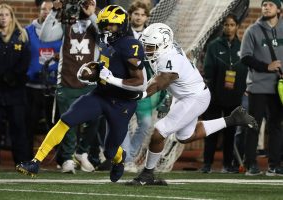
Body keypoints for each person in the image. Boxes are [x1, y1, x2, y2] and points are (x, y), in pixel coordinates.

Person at [16, 5, 146, 183]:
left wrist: (112, 79)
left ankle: (119, 158)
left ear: (122, 25)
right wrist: (93, 73)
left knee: (110, 151)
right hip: (101, 95)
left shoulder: (131, 44)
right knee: (66, 119)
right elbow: (105, 66)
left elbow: (140, 82)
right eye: (104, 25)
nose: (106, 29)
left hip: (122, 103)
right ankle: (35, 161)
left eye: (111, 25)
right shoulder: (105, 40)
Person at [126, 23, 257, 186]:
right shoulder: (165, 49)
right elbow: (159, 77)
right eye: (146, 46)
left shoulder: (169, 58)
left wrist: (139, 94)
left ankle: (147, 174)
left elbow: (161, 82)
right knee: (185, 137)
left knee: (159, 132)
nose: (147, 50)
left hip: (194, 97)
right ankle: (233, 119)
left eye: (151, 46)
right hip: (185, 94)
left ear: (163, 44)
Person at [38, 0, 101, 173]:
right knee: (68, 123)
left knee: (95, 118)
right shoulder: (65, 21)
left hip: (90, 81)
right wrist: (54, 12)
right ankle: (67, 158)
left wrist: (92, 14)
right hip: (66, 80)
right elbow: (44, 37)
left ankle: (82, 152)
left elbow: (106, 39)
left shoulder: (97, 21)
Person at [0, 4, 31, 169]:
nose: (3, 17)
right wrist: (3, 74)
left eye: (6, 15)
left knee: (18, 127)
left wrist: (14, 76)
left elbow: (25, 59)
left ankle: (21, 161)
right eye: (1, 15)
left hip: (15, 90)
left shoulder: (21, 36)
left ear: (12, 17)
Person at [200, 14, 248, 173]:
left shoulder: (242, 47)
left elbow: (245, 71)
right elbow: (208, 71)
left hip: (234, 97)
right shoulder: (214, 46)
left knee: (230, 132)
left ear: (237, 27)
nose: (229, 27)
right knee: (211, 131)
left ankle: (227, 165)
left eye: (232, 24)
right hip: (214, 96)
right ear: (223, 26)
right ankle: (207, 164)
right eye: (226, 24)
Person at [240, 0, 283, 176]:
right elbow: (245, 57)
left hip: (278, 87)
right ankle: (251, 164)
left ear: (279, 9)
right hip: (258, 86)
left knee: (277, 126)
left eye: (270, 4)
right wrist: (267, 67)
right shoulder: (252, 30)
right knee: (253, 125)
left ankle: (275, 164)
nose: (266, 7)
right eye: (264, 4)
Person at [25, 0, 62, 160]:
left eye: (50, 9)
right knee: (29, 124)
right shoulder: (27, 31)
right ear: (39, 10)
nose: (46, 12)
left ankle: (61, 159)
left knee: (55, 125)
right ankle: (25, 157)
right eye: (43, 9)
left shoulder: (61, 31)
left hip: (53, 87)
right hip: (32, 86)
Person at [121, 0, 154, 173]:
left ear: (147, 17)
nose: (139, 17)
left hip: (144, 87)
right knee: (123, 123)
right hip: (124, 85)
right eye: (136, 14)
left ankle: (129, 157)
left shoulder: (151, 35)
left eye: (142, 14)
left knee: (146, 123)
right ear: (130, 15)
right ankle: (126, 160)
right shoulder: (123, 33)